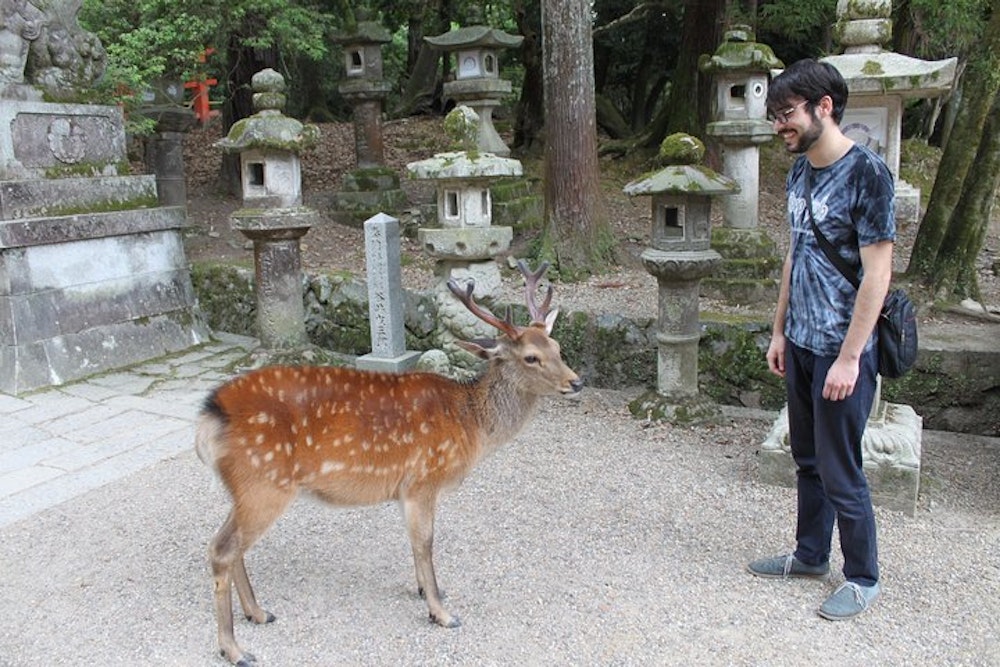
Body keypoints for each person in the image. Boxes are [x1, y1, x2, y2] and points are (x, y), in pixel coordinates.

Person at [747, 58, 895, 621]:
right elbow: (795, 253)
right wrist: (779, 329)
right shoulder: (798, 172)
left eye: (786, 114)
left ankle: (861, 576)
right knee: (807, 459)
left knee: (841, 467)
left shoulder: (868, 175)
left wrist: (851, 358)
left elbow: (878, 275)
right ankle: (810, 555)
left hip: (843, 351)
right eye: (775, 117)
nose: (779, 126)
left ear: (823, 107)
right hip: (803, 344)